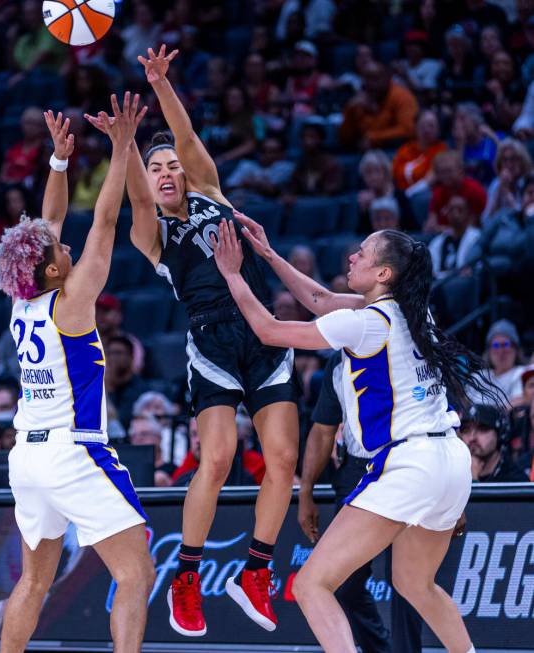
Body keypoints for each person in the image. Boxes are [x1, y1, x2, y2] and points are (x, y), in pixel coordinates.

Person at [87, 45, 300, 636]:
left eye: (170, 166)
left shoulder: (210, 191)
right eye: (155, 171)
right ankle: (187, 576)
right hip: (212, 345)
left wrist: (161, 85)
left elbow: (184, 136)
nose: (165, 174)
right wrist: (125, 144)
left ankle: (255, 573)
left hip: (263, 331)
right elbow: (133, 194)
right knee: (220, 458)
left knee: (283, 461)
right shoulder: (152, 234)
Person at [211, 215, 500, 653]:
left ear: (383, 273)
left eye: (362, 253)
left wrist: (233, 275)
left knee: (311, 584)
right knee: (415, 584)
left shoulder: (366, 324)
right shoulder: (413, 310)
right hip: (450, 462)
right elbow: (321, 298)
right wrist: (269, 256)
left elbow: (270, 331)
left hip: (410, 464)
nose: (352, 255)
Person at [0, 97, 155, 653]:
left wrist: (59, 163)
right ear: (55, 267)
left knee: (34, 579)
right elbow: (105, 220)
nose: (64, 243)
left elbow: (49, 221)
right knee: (136, 572)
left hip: (27, 459)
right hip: (73, 450)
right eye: (61, 249)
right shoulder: (73, 303)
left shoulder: (24, 301)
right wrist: (121, 146)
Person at [299, 351, 423, 653]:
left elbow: (438, 413)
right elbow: (323, 428)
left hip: (406, 465)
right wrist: (305, 492)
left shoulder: (406, 348)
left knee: (407, 582)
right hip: (357, 470)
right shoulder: (339, 361)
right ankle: (379, 649)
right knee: (344, 583)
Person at [340, 62, 419, 151]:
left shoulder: (402, 97)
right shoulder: (358, 101)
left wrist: (374, 137)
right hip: (363, 153)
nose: (372, 84)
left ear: (387, 78)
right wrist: (349, 111)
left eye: (376, 78)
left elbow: (408, 130)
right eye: (367, 79)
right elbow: (344, 138)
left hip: (397, 151)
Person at [459, 404, 528, 481]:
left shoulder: (516, 480)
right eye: (466, 430)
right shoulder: (454, 473)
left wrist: (473, 480)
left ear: (500, 435)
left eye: (482, 429)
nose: (472, 438)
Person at [392, 109, 447, 192]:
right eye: (423, 125)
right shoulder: (405, 149)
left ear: (438, 129)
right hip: (400, 194)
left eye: (431, 126)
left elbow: (431, 179)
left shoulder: (441, 150)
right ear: (416, 127)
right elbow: (392, 174)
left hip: (425, 194)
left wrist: (408, 194)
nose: (426, 130)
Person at [428, 195, 481, 277]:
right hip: (439, 283)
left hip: (463, 283)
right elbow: (430, 268)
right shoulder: (439, 241)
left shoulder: (476, 238)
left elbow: (478, 266)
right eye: (451, 210)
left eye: (460, 210)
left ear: (468, 213)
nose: (455, 214)